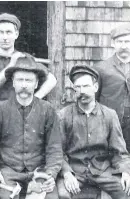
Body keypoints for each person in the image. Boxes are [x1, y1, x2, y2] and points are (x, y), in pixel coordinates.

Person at [0, 57, 62, 199]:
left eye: (28, 81)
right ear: (13, 83)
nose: (24, 85)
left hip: (39, 170)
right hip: (9, 171)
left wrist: (50, 175)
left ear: (36, 84)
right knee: (4, 196)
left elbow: (54, 148)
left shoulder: (47, 110)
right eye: (20, 80)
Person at [57, 65, 130, 199]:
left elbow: (119, 151)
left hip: (103, 172)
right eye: (77, 87)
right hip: (75, 171)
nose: (81, 91)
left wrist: (125, 172)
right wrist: (67, 173)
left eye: (85, 86)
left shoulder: (109, 115)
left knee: (126, 191)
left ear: (95, 88)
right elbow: (57, 152)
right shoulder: (63, 115)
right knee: (62, 194)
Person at [0, 13, 57, 108]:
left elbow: (52, 80)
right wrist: (12, 65)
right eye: (1, 32)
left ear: (16, 34)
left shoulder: (24, 58)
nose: (5, 37)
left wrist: (35, 99)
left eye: (8, 32)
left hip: (20, 112)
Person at [93, 24, 130, 151]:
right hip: (110, 122)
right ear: (113, 43)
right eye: (120, 42)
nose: (124, 46)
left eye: (127, 41)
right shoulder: (101, 68)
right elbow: (94, 99)